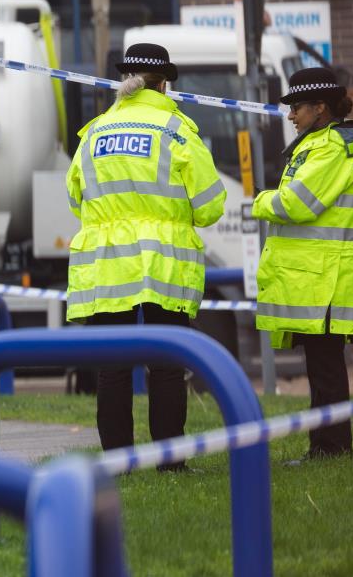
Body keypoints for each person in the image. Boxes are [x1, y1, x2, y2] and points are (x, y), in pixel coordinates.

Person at [65, 43, 226, 468]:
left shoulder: (94, 131)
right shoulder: (177, 129)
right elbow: (210, 206)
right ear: (164, 84)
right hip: (163, 262)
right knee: (168, 364)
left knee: (112, 367)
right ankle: (170, 460)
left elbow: (75, 197)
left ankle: (118, 461)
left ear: (125, 82)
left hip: (107, 262)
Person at [252, 67, 353, 459]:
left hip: (328, 278)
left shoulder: (330, 148)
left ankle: (332, 449)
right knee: (322, 367)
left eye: (296, 107)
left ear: (320, 108)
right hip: (323, 277)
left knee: (326, 370)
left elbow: (297, 203)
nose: (290, 115)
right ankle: (325, 448)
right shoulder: (323, 144)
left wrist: (259, 201)